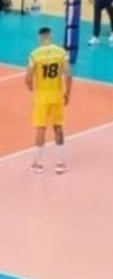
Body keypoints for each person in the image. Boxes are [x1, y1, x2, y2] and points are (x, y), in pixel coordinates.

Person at [26, 27, 72, 174]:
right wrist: (67, 93)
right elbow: (69, 75)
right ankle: (60, 164)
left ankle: (38, 164)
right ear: (50, 36)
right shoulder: (61, 53)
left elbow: (28, 77)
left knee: (41, 128)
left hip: (42, 97)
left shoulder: (35, 54)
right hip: (57, 95)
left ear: (40, 38)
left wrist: (31, 86)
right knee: (58, 127)